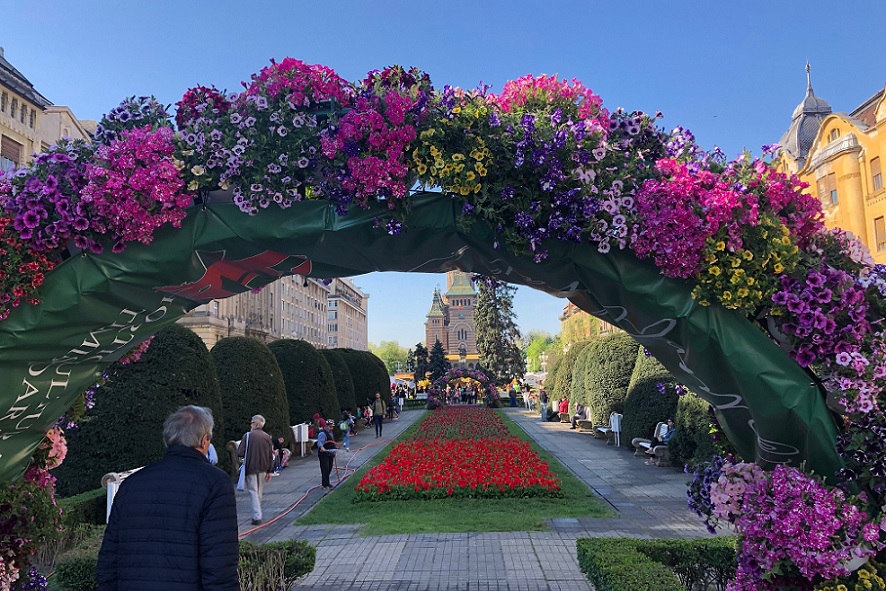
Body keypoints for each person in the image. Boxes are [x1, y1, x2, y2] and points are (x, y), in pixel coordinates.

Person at [96, 405, 238, 591]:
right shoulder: (215, 482)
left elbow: (109, 558)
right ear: (205, 441)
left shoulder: (132, 484)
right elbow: (219, 563)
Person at [237, 415, 274, 525]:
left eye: (252, 422)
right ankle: (257, 513)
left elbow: (240, 452)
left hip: (251, 467)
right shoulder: (266, 437)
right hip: (263, 467)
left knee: (253, 491)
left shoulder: (247, 436)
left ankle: (257, 516)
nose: (251, 424)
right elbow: (269, 455)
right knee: (259, 491)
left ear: (256, 424)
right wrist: (269, 471)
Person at [316, 418, 338, 490]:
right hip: (323, 454)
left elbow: (332, 441)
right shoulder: (322, 433)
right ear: (327, 426)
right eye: (330, 426)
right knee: (325, 468)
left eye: (332, 427)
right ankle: (324, 484)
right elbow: (320, 442)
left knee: (330, 467)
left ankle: (327, 483)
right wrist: (321, 447)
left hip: (330, 453)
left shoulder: (330, 432)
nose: (332, 428)